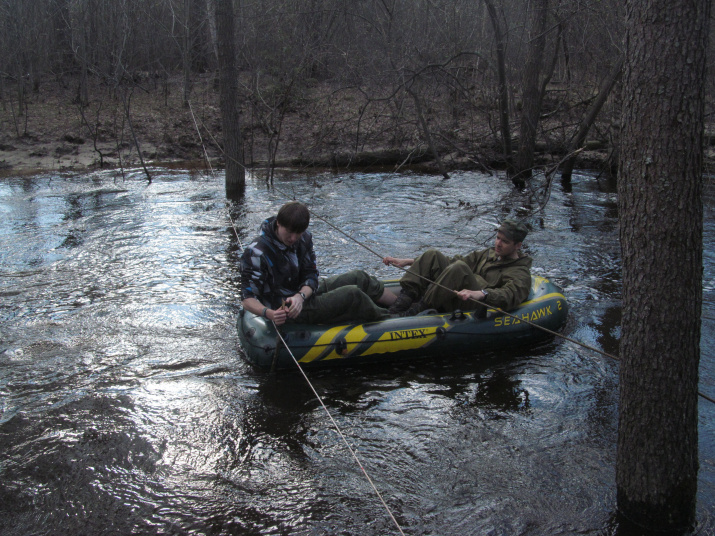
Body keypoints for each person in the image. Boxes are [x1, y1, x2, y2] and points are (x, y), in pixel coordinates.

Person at [240, 201, 397, 326]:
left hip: (301, 295)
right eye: (289, 232)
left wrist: (300, 296)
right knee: (352, 294)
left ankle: (400, 305)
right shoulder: (257, 252)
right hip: (283, 308)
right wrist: (270, 313)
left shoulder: (304, 239)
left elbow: (311, 275)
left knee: (359, 277)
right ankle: (394, 319)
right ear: (279, 224)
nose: (293, 238)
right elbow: (247, 298)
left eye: (298, 233)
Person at [383, 219, 532, 316]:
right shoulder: (488, 254)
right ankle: (400, 305)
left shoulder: (520, 272)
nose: (498, 244)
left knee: (459, 268)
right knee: (433, 254)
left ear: (517, 245)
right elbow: (454, 260)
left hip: (474, 304)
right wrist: (409, 261)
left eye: (504, 241)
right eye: (498, 238)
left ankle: (417, 311)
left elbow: (509, 295)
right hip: (458, 293)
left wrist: (482, 294)